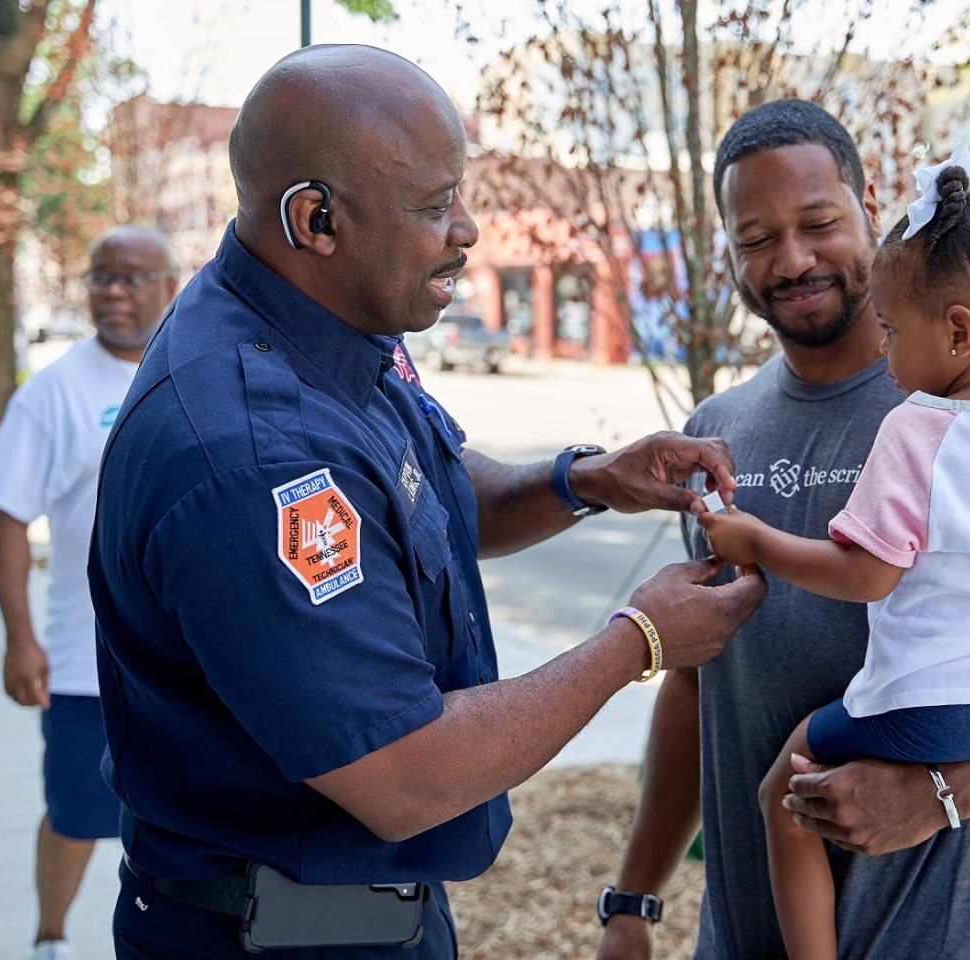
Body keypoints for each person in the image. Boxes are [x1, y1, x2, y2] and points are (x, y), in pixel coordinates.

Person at [88, 45, 765, 960]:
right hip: (277, 936)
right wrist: (639, 641)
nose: (471, 229)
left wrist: (589, 480)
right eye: (435, 205)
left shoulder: (323, 326)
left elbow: (431, 497)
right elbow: (404, 772)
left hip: (365, 916)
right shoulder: (251, 454)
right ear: (316, 218)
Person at [596, 100, 970, 960]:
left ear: (870, 207)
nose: (792, 258)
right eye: (756, 237)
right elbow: (701, 688)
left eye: (817, 222)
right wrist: (635, 898)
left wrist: (949, 792)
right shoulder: (721, 429)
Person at [0, 226, 177, 960]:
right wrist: (21, 639)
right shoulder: (55, 393)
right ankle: (50, 940)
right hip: (87, 661)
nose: (113, 292)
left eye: (131, 278)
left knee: (185, 819)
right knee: (77, 812)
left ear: (169, 287)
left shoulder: (190, 374)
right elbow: (8, 520)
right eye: (101, 277)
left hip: (190, 663)